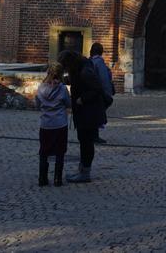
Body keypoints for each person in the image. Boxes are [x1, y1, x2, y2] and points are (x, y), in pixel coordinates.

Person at [57, 49, 106, 183]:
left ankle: (85, 173)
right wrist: (66, 80)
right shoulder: (81, 67)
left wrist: (82, 99)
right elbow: (78, 82)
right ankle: (82, 170)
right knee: (84, 141)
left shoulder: (85, 71)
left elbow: (97, 89)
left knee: (86, 142)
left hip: (88, 112)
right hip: (85, 112)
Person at [36, 62, 71, 187]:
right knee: (60, 151)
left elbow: (37, 104)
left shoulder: (41, 88)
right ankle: (57, 179)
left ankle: (42, 178)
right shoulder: (62, 88)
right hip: (60, 124)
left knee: (43, 152)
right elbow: (68, 103)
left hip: (45, 124)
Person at [89, 42, 115, 144]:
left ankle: (91, 135)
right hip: (98, 93)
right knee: (96, 114)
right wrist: (107, 95)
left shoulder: (89, 62)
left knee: (92, 114)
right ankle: (94, 136)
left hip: (91, 93)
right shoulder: (99, 63)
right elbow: (104, 80)